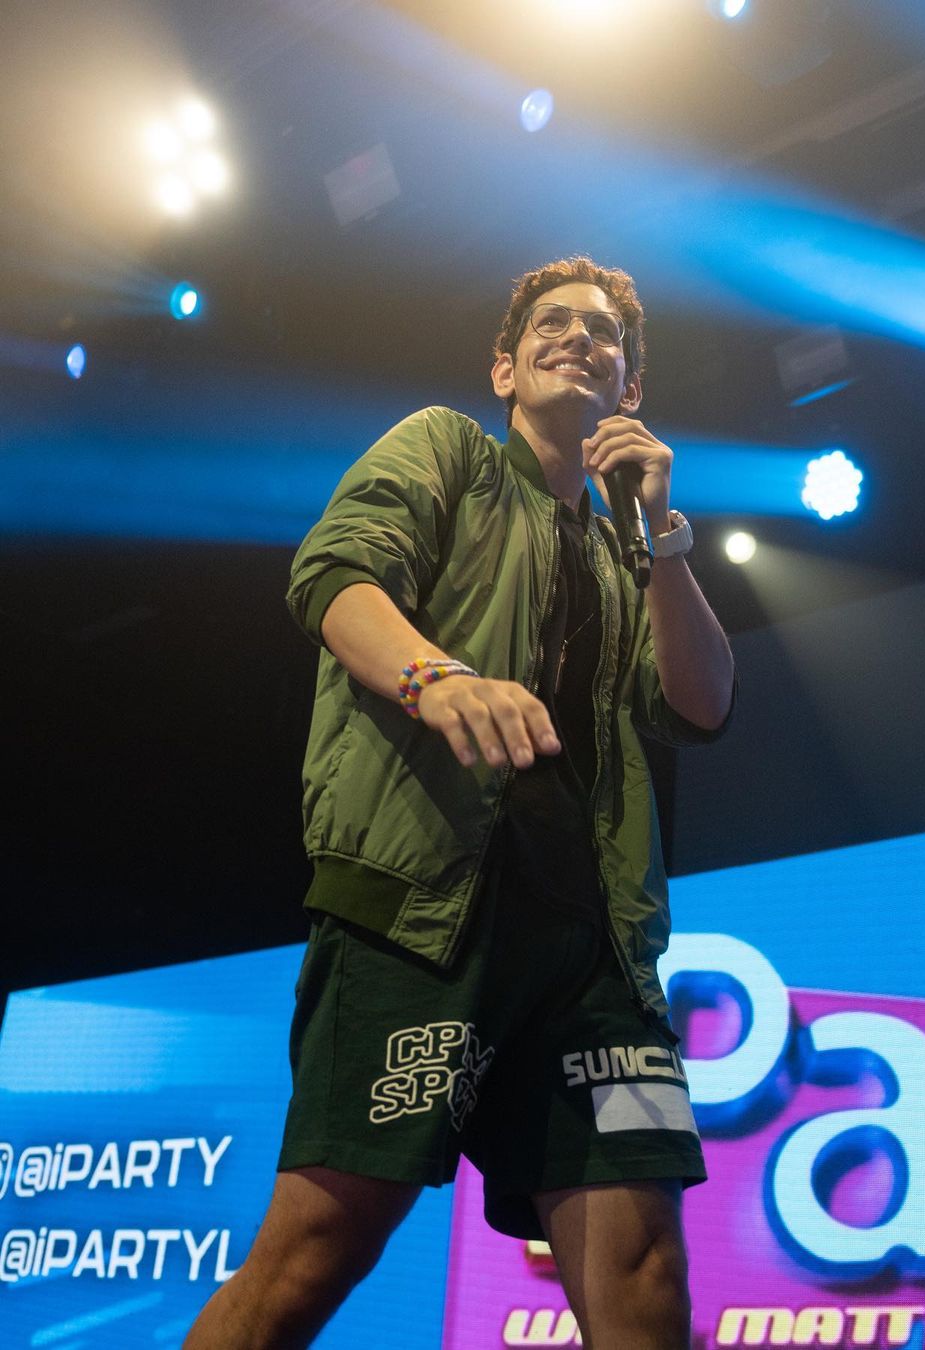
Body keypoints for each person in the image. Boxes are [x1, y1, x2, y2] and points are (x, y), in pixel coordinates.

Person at [185, 256, 736, 1350]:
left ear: (629, 390)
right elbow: (333, 577)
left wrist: (664, 536)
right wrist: (438, 679)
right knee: (317, 1247)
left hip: (600, 963)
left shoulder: (628, 551)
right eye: (552, 323)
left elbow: (703, 703)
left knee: (646, 1273)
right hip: (428, 918)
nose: (578, 337)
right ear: (504, 368)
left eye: (603, 333)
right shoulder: (447, 450)